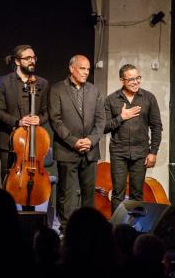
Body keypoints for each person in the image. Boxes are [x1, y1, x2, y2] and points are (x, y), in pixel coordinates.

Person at [48, 55, 105, 233]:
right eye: (82, 68)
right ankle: (66, 229)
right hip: (67, 150)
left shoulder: (94, 91)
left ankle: (88, 230)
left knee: (89, 194)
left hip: (90, 150)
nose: (86, 72)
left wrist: (90, 140)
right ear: (72, 69)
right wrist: (74, 142)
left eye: (88, 69)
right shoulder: (57, 89)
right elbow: (55, 120)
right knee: (67, 194)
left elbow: (101, 120)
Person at [104, 64, 162, 213]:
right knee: (118, 194)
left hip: (140, 153)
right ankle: (116, 230)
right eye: (131, 79)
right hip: (119, 152)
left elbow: (156, 126)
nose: (136, 82)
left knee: (137, 194)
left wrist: (153, 152)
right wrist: (121, 117)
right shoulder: (112, 99)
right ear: (122, 80)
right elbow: (103, 127)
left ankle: (136, 229)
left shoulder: (148, 98)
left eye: (138, 78)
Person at [0, 44, 50, 183]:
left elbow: (47, 111)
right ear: (17, 61)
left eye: (34, 58)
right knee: (8, 181)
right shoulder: (3, 82)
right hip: (9, 141)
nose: (32, 61)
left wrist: (40, 119)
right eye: (28, 58)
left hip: (33, 142)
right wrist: (18, 122)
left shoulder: (42, 83)